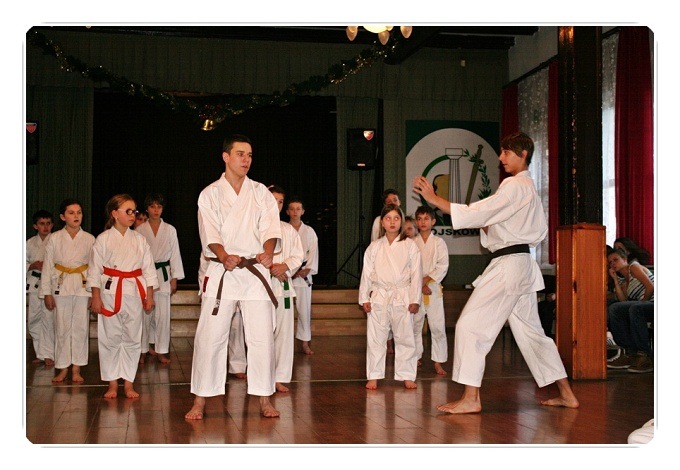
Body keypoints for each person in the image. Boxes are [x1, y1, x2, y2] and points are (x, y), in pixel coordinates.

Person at [413, 131, 579, 414]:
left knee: (470, 326)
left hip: (509, 267)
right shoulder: (527, 189)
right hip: (521, 265)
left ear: (523, 154)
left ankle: (471, 398)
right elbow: (501, 223)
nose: (501, 158)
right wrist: (486, 221)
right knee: (533, 335)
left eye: (506, 152)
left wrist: (435, 198)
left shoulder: (515, 185)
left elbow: (479, 212)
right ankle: (567, 394)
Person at [186, 134, 282, 419]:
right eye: (240, 154)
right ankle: (200, 399)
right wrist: (223, 255)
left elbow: (270, 227)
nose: (246, 160)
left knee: (262, 338)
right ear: (226, 157)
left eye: (250, 155)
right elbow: (209, 232)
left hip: (254, 271)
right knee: (210, 337)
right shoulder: (210, 194)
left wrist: (268, 253)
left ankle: (264, 397)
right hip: (223, 270)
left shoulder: (260, 192)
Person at [87, 194, 158, 398]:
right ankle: (111, 383)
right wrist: (96, 297)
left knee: (132, 338)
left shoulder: (139, 240)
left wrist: (150, 295)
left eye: (134, 211)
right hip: (110, 292)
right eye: (128, 211)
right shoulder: (103, 239)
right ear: (115, 214)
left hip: (134, 292)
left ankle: (128, 383)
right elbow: (94, 270)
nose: (132, 215)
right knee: (110, 338)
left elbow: (149, 269)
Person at [359, 204, 422, 390]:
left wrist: (415, 299)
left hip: (402, 295)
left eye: (396, 218)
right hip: (379, 295)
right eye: (388, 218)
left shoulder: (410, 246)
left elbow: (416, 274)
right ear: (382, 223)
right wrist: (364, 297)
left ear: (401, 221)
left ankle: (407, 375)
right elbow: (366, 273)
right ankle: (374, 375)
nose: (392, 222)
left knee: (405, 337)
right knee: (376, 338)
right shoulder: (374, 247)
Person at [40, 199, 95, 383]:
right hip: (60, 285)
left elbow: (95, 267)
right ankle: (63, 367)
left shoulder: (89, 239)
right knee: (61, 327)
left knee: (80, 328)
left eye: (79, 212)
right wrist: (46, 292)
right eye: (71, 213)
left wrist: (94, 293)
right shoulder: (54, 238)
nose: (76, 216)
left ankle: (77, 368)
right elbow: (47, 266)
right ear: (63, 217)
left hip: (82, 285)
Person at [136, 192, 185, 364]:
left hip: (164, 274)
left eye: (159, 207)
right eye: (152, 207)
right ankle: (142, 350)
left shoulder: (170, 230)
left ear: (162, 209)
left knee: (163, 316)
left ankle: (161, 350)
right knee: (144, 315)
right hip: (145, 275)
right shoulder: (139, 230)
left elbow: (175, 254)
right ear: (147, 209)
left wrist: (174, 278)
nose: (156, 210)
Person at [269, 185, 304, 392]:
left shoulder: (288, 230)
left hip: (283, 286)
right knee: (261, 334)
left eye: (280, 201)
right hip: (261, 286)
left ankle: (279, 377)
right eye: (273, 200)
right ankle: (260, 377)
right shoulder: (254, 226)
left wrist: (284, 267)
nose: (277, 205)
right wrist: (272, 268)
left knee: (283, 333)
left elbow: (298, 256)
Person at [412, 205, 449, 375]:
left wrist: (426, 280)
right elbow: (409, 267)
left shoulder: (439, 243)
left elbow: (443, 265)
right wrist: (420, 284)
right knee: (415, 325)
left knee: (437, 326)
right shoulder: (412, 243)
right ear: (416, 222)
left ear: (433, 221)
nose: (423, 222)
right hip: (415, 290)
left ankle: (438, 362)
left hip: (433, 289)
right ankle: (415, 357)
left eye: (426, 218)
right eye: (419, 219)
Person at [606, 248, 654, 373]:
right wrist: (615, 280)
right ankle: (629, 353)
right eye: (610, 262)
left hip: (655, 303)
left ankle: (644, 355)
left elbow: (650, 287)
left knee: (635, 308)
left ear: (625, 259)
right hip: (641, 307)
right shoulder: (623, 282)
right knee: (614, 308)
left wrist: (641, 303)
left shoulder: (634, 267)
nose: (613, 264)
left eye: (615, 260)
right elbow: (623, 302)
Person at [286, 196, 319, 355]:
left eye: (298, 209)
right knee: (284, 312)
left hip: (303, 275)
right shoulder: (283, 229)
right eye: (292, 209)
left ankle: (305, 343)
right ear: (287, 211)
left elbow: (313, 252)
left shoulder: (309, 231)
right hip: (285, 275)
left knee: (304, 311)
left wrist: (307, 269)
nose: (295, 212)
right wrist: (287, 270)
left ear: (303, 211)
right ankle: (284, 343)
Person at [26, 209, 54, 365]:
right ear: (35, 226)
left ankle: (49, 353)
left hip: (50, 285)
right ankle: (40, 353)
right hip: (34, 284)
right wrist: (32, 265)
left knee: (48, 319)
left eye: (48, 223)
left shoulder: (55, 240)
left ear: (52, 225)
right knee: (34, 320)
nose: (45, 227)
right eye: (42, 224)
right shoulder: (29, 243)